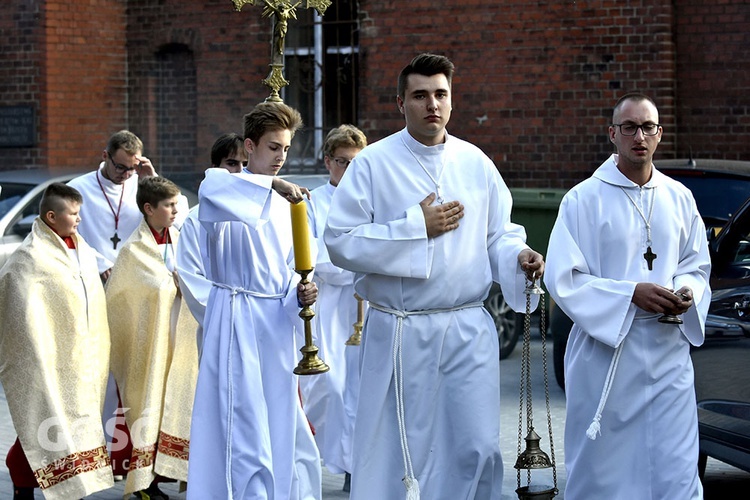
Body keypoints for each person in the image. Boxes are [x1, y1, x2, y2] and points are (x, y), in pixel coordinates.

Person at [323, 53, 545, 500]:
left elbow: (498, 233)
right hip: (400, 329)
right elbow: (340, 241)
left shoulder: (475, 162)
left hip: (466, 326)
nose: (432, 104)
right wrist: (414, 228)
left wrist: (519, 256)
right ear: (400, 102)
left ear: (451, 100)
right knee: (397, 452)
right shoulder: (373, 163)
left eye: (440, 94)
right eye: (420, 95)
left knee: (475, 445)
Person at [543, 92, 711, 499]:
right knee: (607, 473)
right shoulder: (583, 199)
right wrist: (629, 294)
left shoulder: (678, 197)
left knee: (675, 468)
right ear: (612, 134)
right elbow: (562, 277)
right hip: (608, 357)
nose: (639, 136)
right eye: (629, 127)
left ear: (659, 134)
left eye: (647, 127)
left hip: (667, 355)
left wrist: (686, 291)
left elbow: (697, 263)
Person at [187, 101, 322, 499]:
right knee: (240, 422)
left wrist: (300, 293)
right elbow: (213, 187)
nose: (280, 157)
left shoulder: (290, 206)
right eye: (272, 147)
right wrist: (273, 185)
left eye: (285, 149)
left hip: (275, 326)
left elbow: (290, 269)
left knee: (278, 419)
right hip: (236, 318)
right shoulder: (222, 187)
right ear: (249, 146)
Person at [68, 130, 188, 476]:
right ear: (105, 156)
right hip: (96, 283)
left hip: (138, 292)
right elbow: (72, 233)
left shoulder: (143, 186)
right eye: (121, 167)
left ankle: (130, 454)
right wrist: (101, 264)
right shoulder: (80, 187)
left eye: (132, 168)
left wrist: (151, 179)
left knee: (137, 373)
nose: (125, 175)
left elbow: (179, 224)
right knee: (103, 373)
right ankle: (103, 451)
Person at [0, 183, 114, 499]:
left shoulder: (83, 249)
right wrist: (38, 353)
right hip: (46, 356)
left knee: (73, 421)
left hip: (83, 355)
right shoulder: (28, 258)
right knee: (44, 419)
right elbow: (19, 313)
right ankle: (23, 480)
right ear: (51, 216)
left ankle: (71, 483)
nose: (79, 219)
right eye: (73, 214)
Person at [105, 176, 199, 499]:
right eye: (169, 205)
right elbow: (121, 297)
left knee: (177, 404)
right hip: (150, 346)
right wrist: (172, 285)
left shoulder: (179, 238)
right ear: (148, 209)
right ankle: (147, 483)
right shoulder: (134, 250)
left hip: (180, 338)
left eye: (176, 204)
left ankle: (174, 472)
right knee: (150, 408)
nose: (176, 210)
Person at [299, 124, 367, 486]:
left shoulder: (371, 200)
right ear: (328, 161)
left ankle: (358, 468)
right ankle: (338, 459)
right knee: (333, 387)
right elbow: (314, 254)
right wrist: (354, 261)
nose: (349, 169)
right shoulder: (313, 202)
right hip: (332, 305)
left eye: (357, 162)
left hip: (366, 305)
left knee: (364, 388)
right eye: (342, 161)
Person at [176, 132, 247, 354]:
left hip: (263, 321)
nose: (239, 171)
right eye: (232, 163)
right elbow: (190, 277)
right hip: (221, 322)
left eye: (246, 164)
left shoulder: (267, 213)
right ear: (215, 167)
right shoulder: (195, 219)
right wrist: (229, 314)